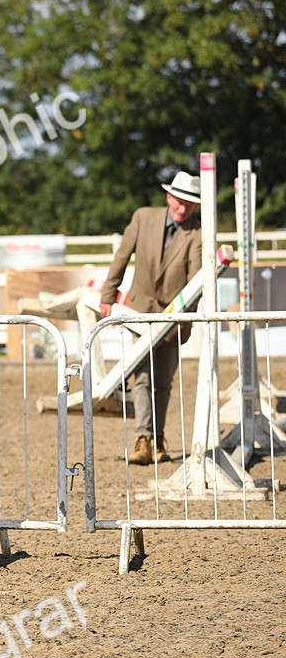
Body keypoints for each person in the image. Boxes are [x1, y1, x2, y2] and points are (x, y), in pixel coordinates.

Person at [100, 170, 204, 464]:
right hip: (139, 311)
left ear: (195, 206)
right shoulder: (143, 217)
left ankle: (157, 438)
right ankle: (143, 438)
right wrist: (108, 296)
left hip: (174, 320)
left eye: (189, 204)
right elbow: (120, 258)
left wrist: (184, 319)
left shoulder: (197, 235)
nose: (183, 208)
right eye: (179, 201)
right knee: (141, 377)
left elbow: (195, 279)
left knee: (163, 382)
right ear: (169, 196)